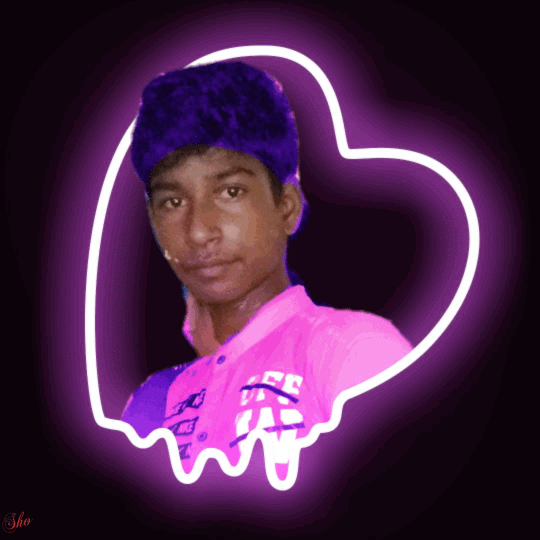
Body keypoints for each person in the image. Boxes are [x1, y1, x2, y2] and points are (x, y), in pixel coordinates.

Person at [121, 61, 413, 479]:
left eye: (230, 191)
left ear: (287, 207)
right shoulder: (151, 403)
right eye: (173, 201)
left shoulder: (354, 350)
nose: (198, 231)